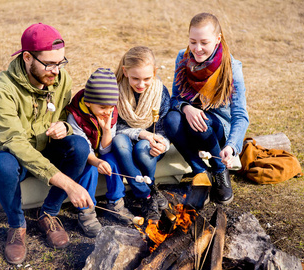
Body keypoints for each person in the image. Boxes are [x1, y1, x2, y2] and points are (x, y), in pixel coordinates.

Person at [0, 23, 94, 265]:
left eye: (61, 62)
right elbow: (14, 142)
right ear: (27, 57)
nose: (56, 71)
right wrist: (68, 184)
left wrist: (64, 126)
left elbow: (65, 113)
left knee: (80, 148)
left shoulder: (61, 78)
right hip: (12, 155)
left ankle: (49, 213)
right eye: (50, 64)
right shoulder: (2, 89)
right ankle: (16, 225)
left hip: (46, 147)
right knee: (2, 165)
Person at [164, 13, 249, 206]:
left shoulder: (231, 67)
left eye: (204, 42)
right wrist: (186, 108)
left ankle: (219, 170)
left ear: (218, 39)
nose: (197, 48)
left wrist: (232, 146)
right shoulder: (183, 58)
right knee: (171, 119)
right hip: (190, 123)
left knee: (201, 120)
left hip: (216, 129)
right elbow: (175, 98)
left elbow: (240, 115)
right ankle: (200, 172)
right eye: (193, 42)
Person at [66, 68, 135, 236]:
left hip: (99, 154)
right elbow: (84, 150)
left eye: (111, 107)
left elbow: (105, 149)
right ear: (88, 102)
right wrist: (97, 162)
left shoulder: (110, 113)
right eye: (103, 107)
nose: (108, 111)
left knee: (112, 159)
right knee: (88, 170)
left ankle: (116, 202)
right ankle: (86, 211)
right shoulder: (75, 116)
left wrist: (106, 130)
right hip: (82, 156)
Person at [111, 46, 171, 222]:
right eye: (135, 78)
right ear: (125, 71)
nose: (141, 84)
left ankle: (147, 190)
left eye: (147, 78)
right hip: (124, 143)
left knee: (142, 150)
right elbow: (115, 128)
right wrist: (141, 133)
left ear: (155, 72)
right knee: (119, 143)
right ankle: (147, 193)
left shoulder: (160, 92)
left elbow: (163, 129)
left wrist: (163, 144)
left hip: (148, 147)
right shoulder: (116, 91)